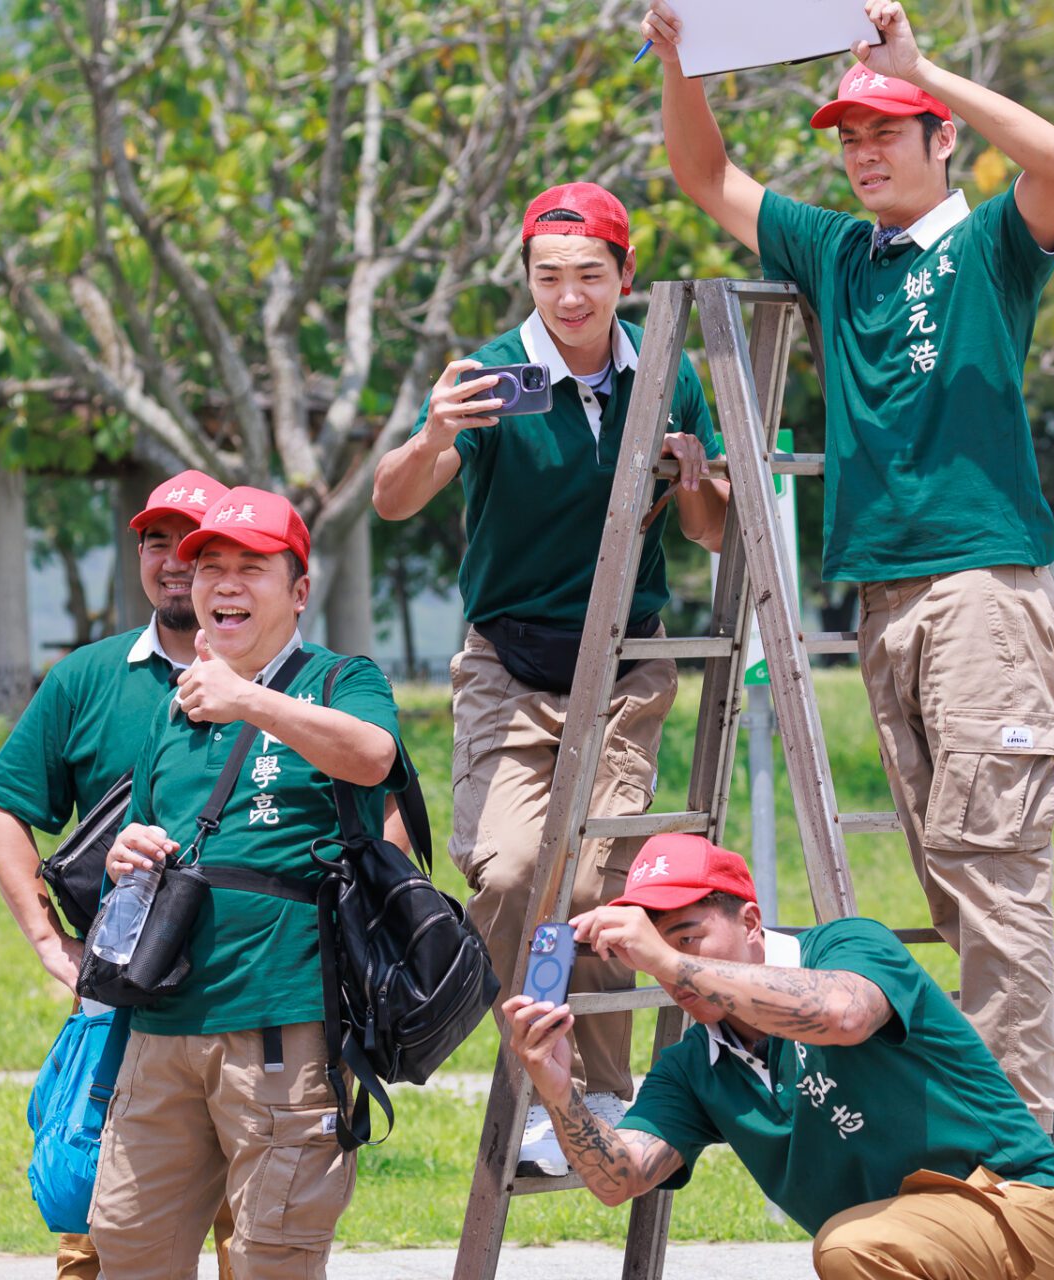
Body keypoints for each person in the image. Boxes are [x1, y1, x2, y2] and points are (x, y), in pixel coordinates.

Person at [639, 0, 1054, 1172]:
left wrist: (923, 65)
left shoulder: (991, 244)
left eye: (889, 127)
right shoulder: (837, 252)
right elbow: (705, 174)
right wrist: (680, 60)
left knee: (991, 871)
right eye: (848, 133)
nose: (864, 151)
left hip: (983, 592)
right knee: (957, 876)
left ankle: (1016, 1152)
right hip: (885, 603)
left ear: (940, 136)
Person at [372, 182, 730, 1172]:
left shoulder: (668, 374)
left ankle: (598, 1091)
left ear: (624, 276)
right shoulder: (490, 375)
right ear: (527, 279)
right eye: (548, 278)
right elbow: (393, 499)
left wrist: (695, 476)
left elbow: (708, 531)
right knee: (512, 868)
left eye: (589, 276)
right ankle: (540, 1074)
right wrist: (434, 432)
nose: (569, 298)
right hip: (509, 659)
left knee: (597, 877)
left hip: (626, 658)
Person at [505, 834, 1054, 1280]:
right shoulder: (694, 1066)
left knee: (850, 1248)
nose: (670, 964)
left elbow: (843, 1015)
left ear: (752, 920)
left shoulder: (850, 945)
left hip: (1022, 1210)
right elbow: (621, 1178)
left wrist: (664, 961)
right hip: (906, 1247)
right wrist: (558, 1091)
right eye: (653, 947)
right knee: (855, 1248)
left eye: (687, 935)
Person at [89, 486, 409, 1280]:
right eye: (208, 568)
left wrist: (250, 700)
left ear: (298, 591)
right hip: (162, 1027)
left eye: (249, 568)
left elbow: (373, 756)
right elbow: (152, 828)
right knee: (128, 1245)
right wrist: (126, 850)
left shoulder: (341, 677)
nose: (223, 584)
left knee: (274, 1256)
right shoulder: (176, 707)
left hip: (282, 1022)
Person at [0, 470, 241, 1278]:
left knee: (258, 1237)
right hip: (126, 999)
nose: (171, 561)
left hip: (254, 993)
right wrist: (49, 941)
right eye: (156, 542)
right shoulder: (87, 678)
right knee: (98, 1235)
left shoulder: (294, 680)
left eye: (191, 544)